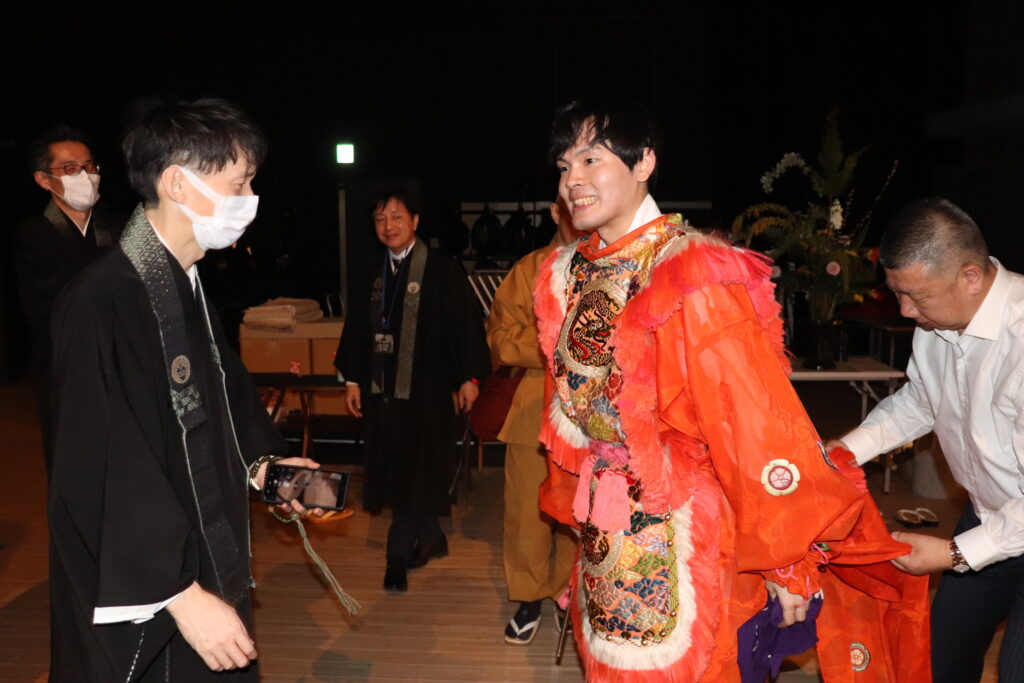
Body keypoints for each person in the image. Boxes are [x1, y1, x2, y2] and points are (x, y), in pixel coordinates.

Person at [534, 99, 930, 681]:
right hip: (607, 531)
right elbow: (569, 410)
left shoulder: (691, 270)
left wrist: (785, 560)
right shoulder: (568, 272)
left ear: (643, 162)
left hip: (691, 532)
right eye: (564, 165)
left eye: (591, 159)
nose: (573, 179)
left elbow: (751, 420)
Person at [48, 98, 318, 681]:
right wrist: (179, 593)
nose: (249, 199)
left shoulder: (186, 284)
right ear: (177, 183)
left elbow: (222, 407)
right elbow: (102, 464)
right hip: (158, 593)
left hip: (205, 557)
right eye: (238, 184)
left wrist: (266, 467)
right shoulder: (101, 300)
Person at [831, 197, 1024, 683]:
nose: (905, 310)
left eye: (917, 296)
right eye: (898, 293)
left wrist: (953, 554)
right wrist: (844, 452)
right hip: (991, 515)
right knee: (939, 658)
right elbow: (921, 401)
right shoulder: (936, 325)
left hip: (1003, 526)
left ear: (970, 277)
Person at [335, 189, 490, 593]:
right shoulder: (372, 273)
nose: (388, 226)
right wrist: (351, 379)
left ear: (416, 221)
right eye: (380, 219)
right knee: (401, 469)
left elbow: (465, 326)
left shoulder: (442, 270)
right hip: (382, 393)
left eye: (397, 217)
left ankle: (396, 556)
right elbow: (356, 329)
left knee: (416, 468)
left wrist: (469, 379)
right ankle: (432, 538)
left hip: (429, 393)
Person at [488, 197, 580, 645]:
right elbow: (501, 339)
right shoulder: (529, 269)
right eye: (568, 206)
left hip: (590, 418)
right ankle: (528, 597)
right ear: (554, 212)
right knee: (527, 512)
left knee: (578, 514)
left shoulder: (611, 266)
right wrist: (559, 340)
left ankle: (569, 592)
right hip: (532, 411)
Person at [15, 126, 122, 475]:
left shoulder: (115, 227)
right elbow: (53, 305)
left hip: (122, 365)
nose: (85, 176)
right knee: (75, 463)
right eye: (70, 168)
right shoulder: (35, 234)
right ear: (43, 179)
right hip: (68, 367)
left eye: (90, 167)